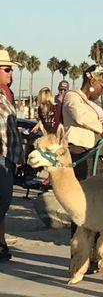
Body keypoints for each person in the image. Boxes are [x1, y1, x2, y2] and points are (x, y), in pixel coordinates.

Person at [62, 64, 103, 272]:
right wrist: (102, 128)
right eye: (102, 85)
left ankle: (95, 256)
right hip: (81, 156)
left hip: (94, 155)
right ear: (92, 81)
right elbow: (81, 117)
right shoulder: (72, 98)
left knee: (99, 207)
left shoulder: (88, 102)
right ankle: (80, 258)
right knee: (81, 210)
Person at [0, 49, 23, 262]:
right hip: (1, 158)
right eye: (7, 69)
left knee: (4, 205)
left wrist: (20, 157)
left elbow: (12, 129)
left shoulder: (7, 95)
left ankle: (2, 244)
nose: (10, 73)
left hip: (8, 158)